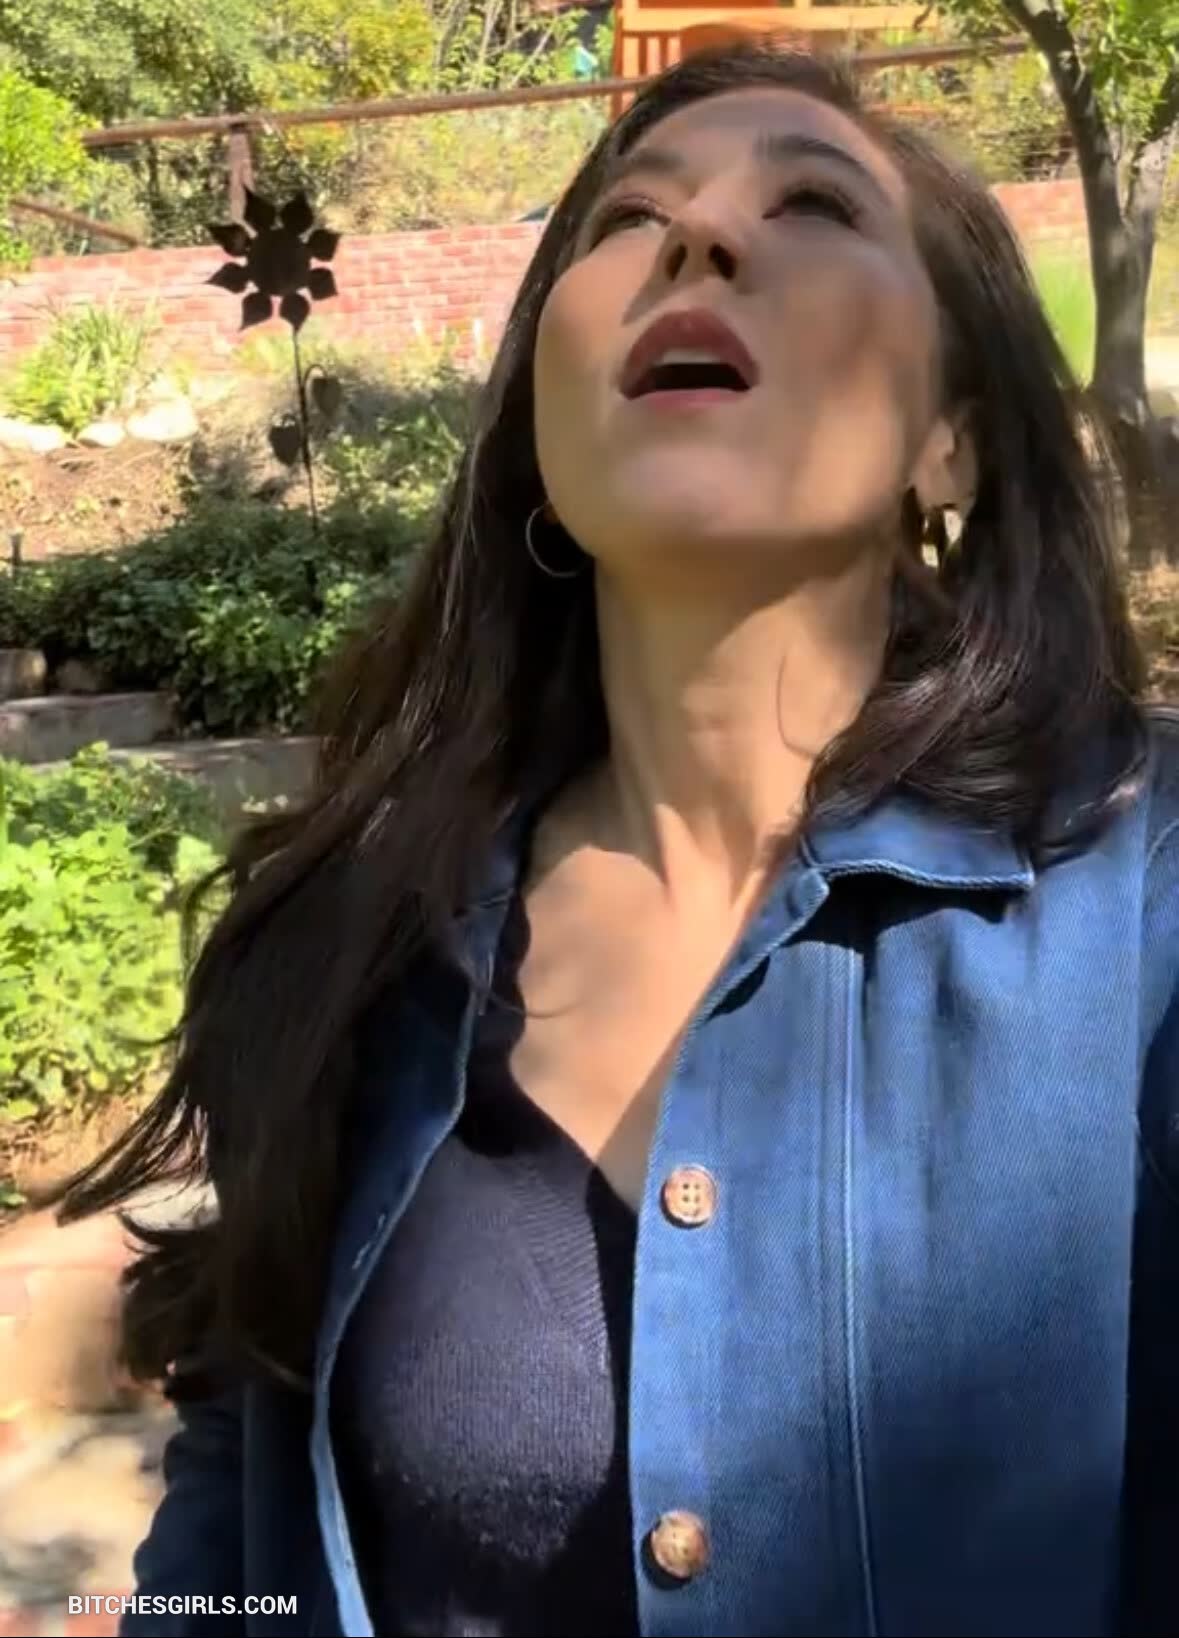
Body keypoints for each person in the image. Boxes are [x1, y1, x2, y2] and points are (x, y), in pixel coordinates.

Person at [61, 41, 1179, 1638]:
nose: (699, 237)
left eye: (812, 206)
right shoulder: (354, 955)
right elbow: (232, 1528)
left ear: (952, 440)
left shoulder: (1145, 908)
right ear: (540, 419)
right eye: (628, 219)